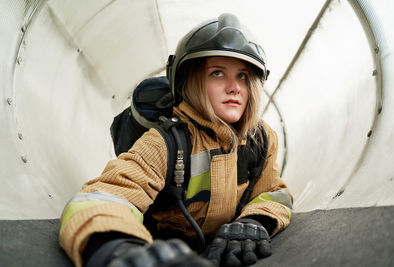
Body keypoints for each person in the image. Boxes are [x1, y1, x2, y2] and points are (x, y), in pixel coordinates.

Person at [59, 13, 293, 267]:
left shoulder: (261, 139)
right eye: (217, 73)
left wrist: (254, 221)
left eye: (243, 76)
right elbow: (107, 196)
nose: (234, 87)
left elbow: (271, 193)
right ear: (191, 81)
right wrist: (120, 249)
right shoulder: (166, 142)